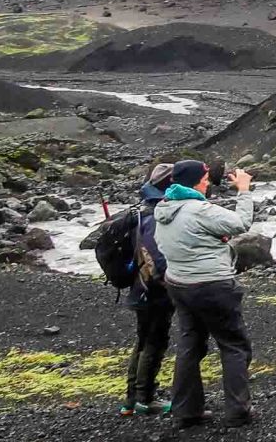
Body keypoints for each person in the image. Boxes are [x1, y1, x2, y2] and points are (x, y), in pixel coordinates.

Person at [155, 159, 257, 429]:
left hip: (178, 284)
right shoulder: (200, 210)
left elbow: (166, 243)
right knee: (234, 345)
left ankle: (186, 412)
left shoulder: (164, 208)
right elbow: (241, 223)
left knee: (190, 345)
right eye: (204, 177)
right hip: (212, 285)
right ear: (193, 181)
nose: (208, 182)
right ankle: (238, 411)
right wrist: (244, 190)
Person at [121, 162, 176, 417]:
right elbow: (157, 257)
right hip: (153, 290)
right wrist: (169, 281)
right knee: (154, 341)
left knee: (142, 341)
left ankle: (131, 400)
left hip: (138, 286)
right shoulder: (156, 214)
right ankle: (145, 398)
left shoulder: (142, 210)